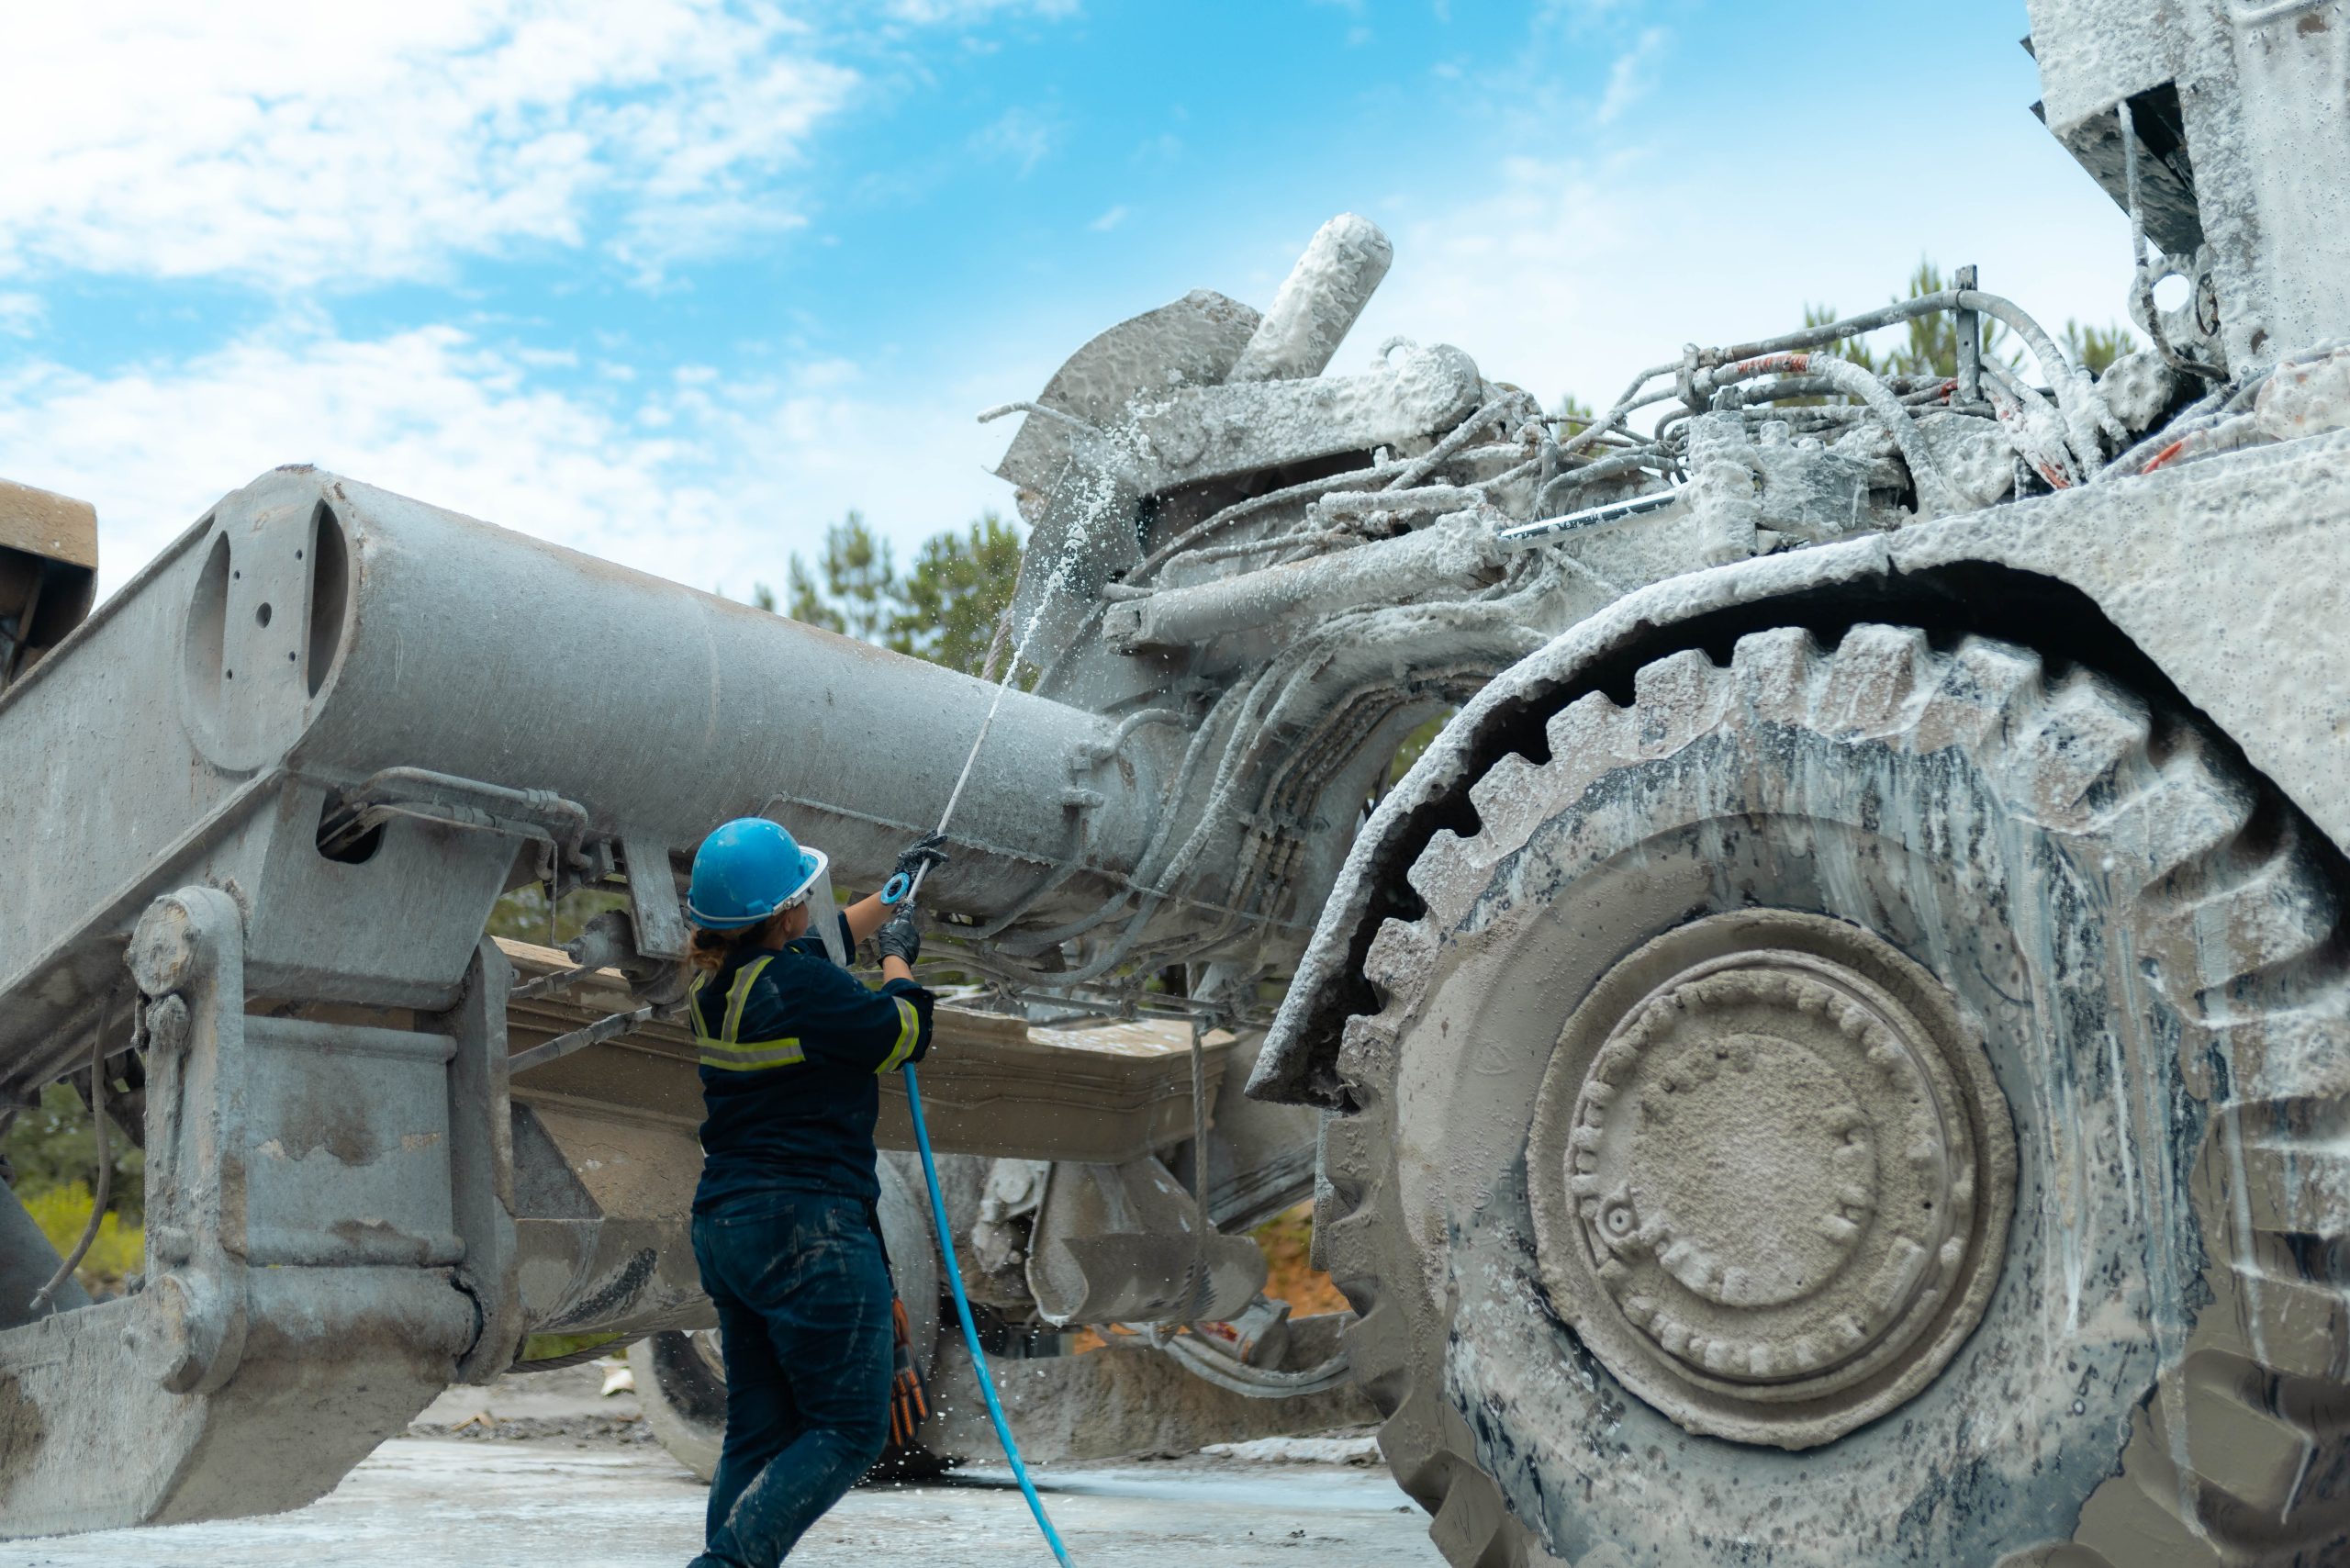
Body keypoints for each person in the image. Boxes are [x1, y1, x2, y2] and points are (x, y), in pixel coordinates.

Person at [680, 816, 949, 1568]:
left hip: (729, 1225)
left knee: (757, 1431)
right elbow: (905, 1032)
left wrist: (892, 896)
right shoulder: (803, 988)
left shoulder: (719, 988)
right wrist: (898, 959)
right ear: (785, 914)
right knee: (850, 1428)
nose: (809, 906)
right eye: (802, 896)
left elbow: (814, 951)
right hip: (806, 1226)